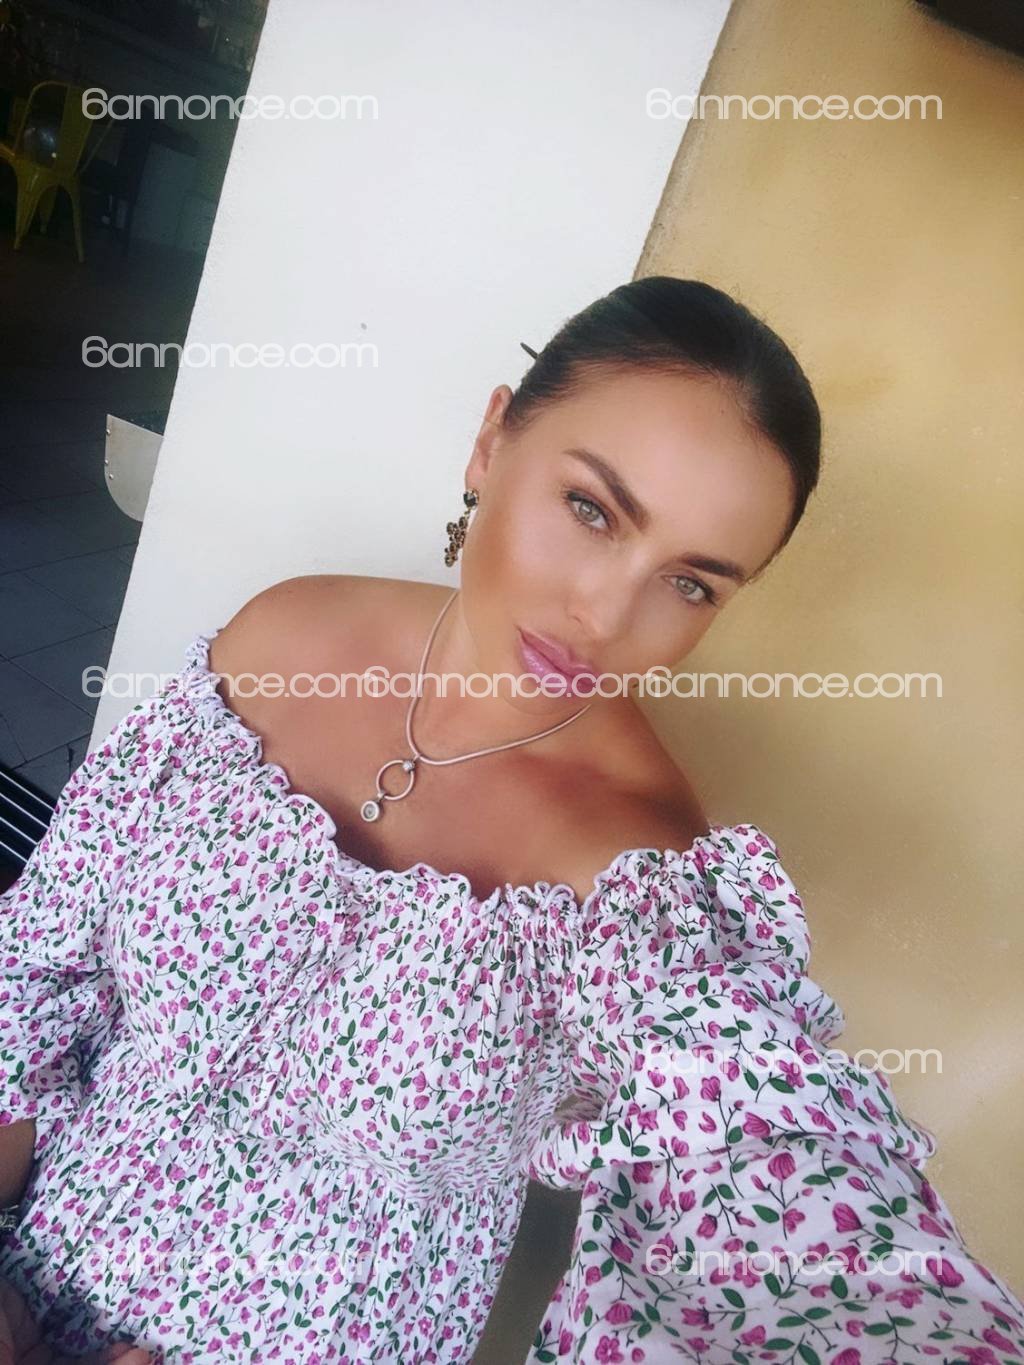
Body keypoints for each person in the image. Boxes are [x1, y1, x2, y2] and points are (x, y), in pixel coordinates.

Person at [0, 277, 1020, 1363]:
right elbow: (38, 967)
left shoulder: (645, 874)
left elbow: (764, 1161)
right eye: (592, 510)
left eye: (690, 584)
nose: (605, 615)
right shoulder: (280, 638)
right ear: (491, 443)